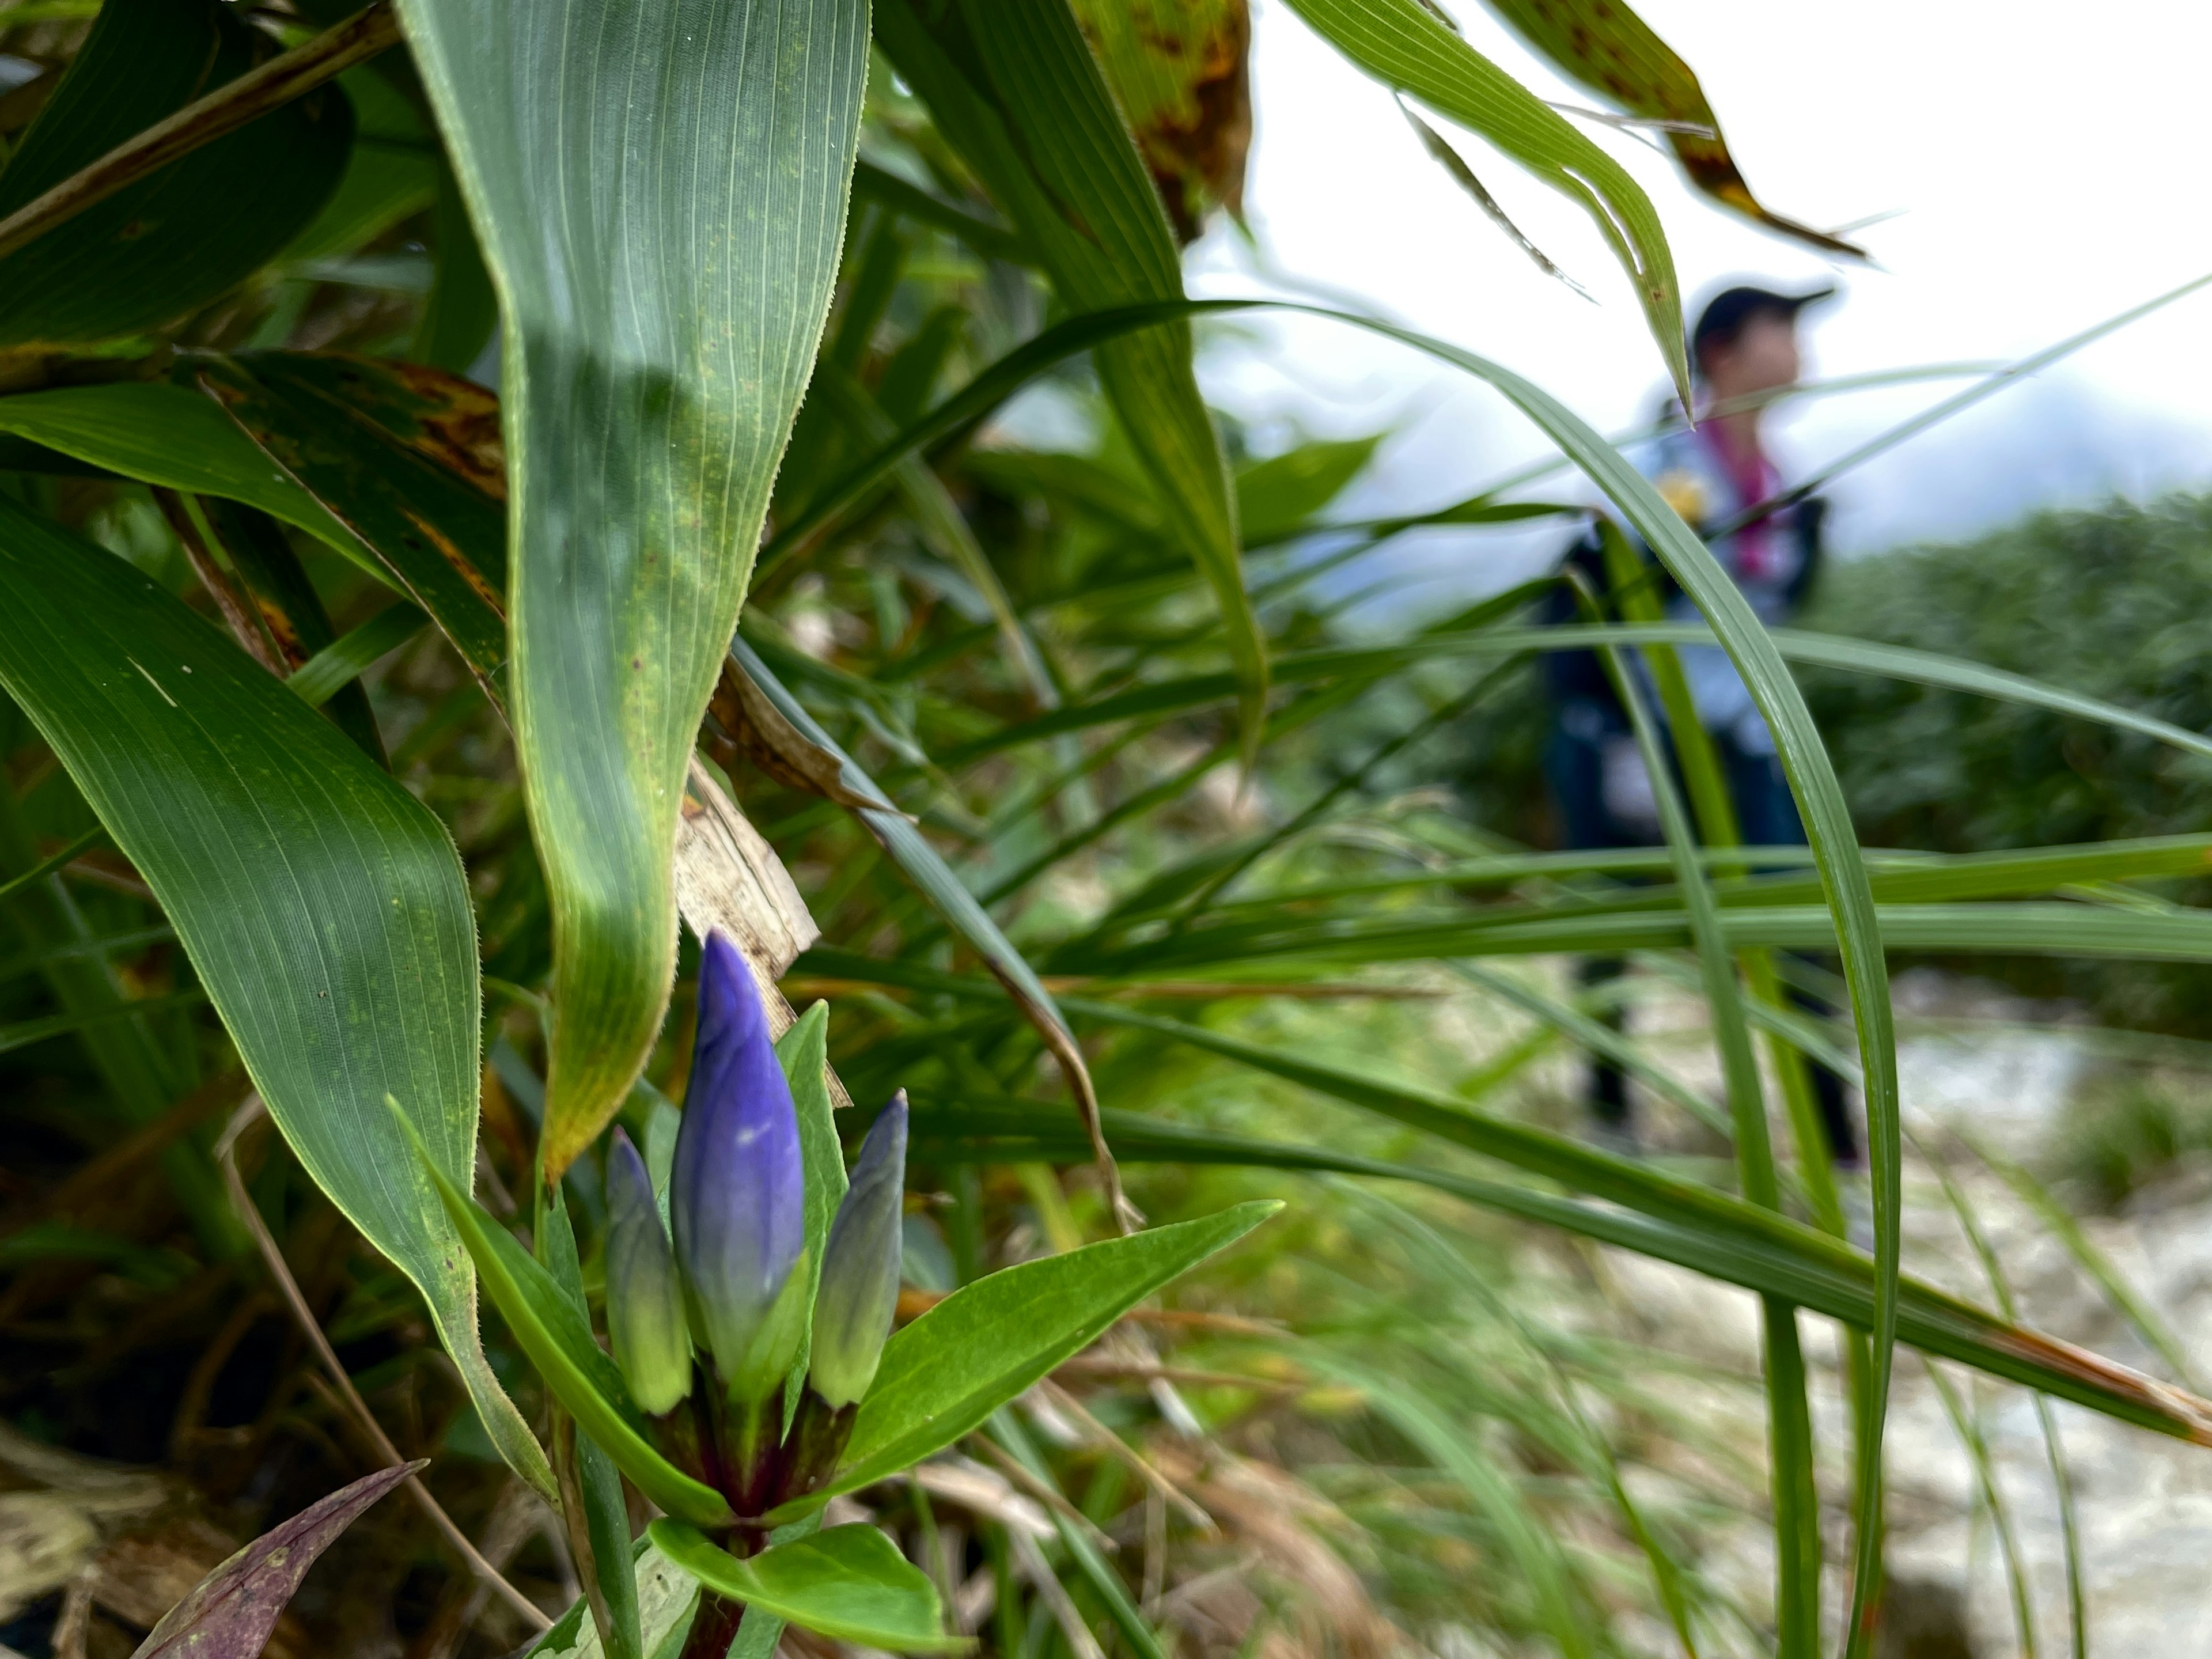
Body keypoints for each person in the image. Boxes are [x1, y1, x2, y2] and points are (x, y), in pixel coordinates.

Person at [1539, 282, 1859, 1166]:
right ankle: (1609, 1128)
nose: (1797, 348)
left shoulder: (1781, 485)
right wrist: (1608, 735)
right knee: (1611, 928)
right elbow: (1586, 607)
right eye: (1779, 330)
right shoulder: (1655, 469)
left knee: (1796, 922)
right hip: (1635, 732)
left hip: (1747, 739)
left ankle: (1837, 1152)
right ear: (1721, 352)